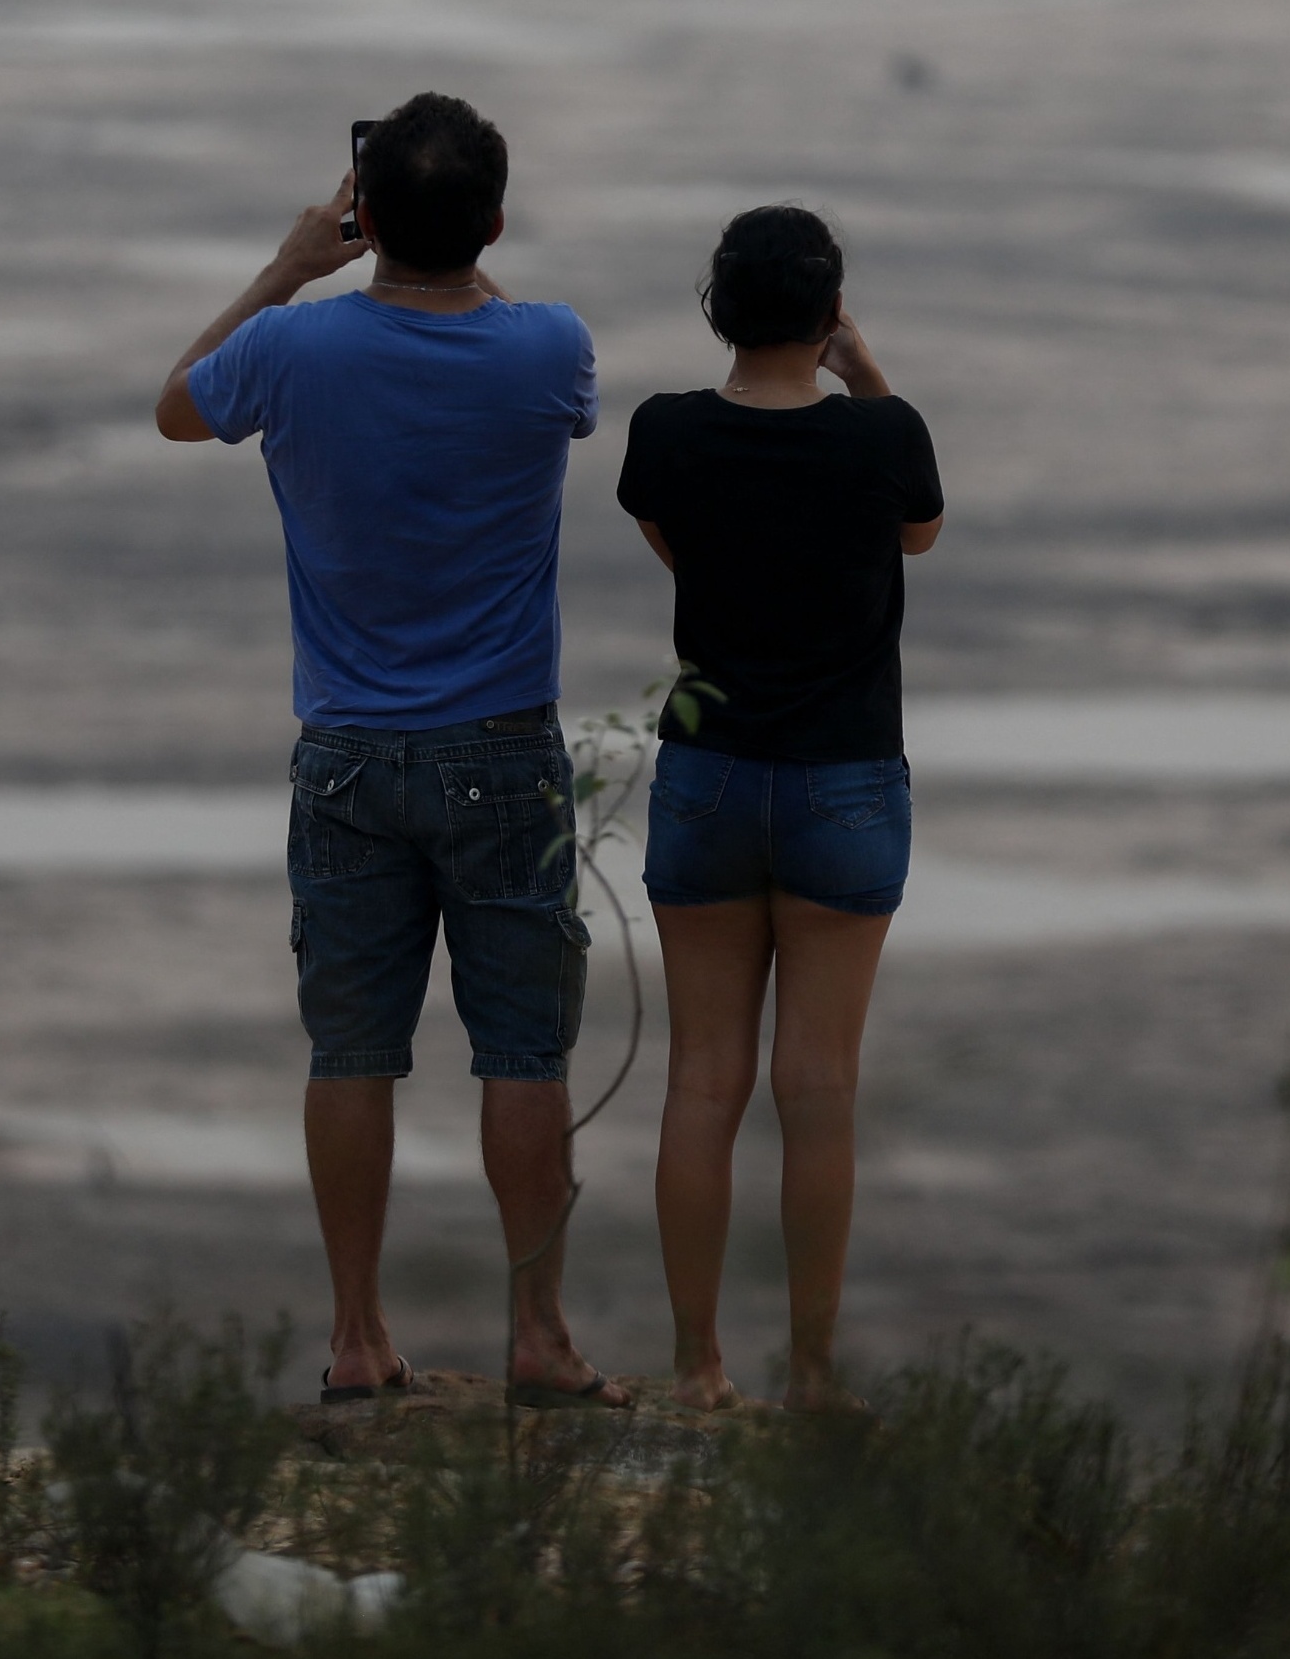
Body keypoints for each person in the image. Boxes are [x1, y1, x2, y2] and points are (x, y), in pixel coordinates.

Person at [156, 92, 627, 1407]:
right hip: (501, 748)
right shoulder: (548, 347)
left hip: (349, 752)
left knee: (349, 1051)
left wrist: (290, 263)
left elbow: (173, 409)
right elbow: (519, 338)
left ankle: (357, 1335)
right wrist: (453, 244)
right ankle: (537, 1330)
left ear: (361, 217)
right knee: (522, 1051)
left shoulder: (291, 351)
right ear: (489, 219)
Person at [616, 206, 943, 1412]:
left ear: (719, 308)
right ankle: (810, 1373)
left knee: (704, 1082)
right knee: (820, 1091)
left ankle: (697, 1364)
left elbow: (678, 549)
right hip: (844, 782)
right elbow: (920, 529)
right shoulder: (883, 436)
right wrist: (862, 373)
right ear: (827, 309)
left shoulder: (666, 432)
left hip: (707, 774)